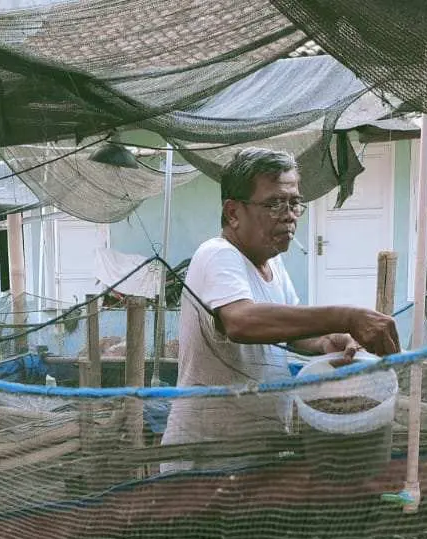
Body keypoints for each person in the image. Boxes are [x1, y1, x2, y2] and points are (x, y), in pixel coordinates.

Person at [161, 148, 400, 456]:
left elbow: (289, 332)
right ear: (233, 213)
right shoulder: (217, 254)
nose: (289, 215)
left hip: (256, 450)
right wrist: (347, 317)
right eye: (274, 204)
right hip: (207, 457)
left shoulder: (273, 264)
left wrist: (327, 340)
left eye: (294, 203)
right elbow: (241, 321)